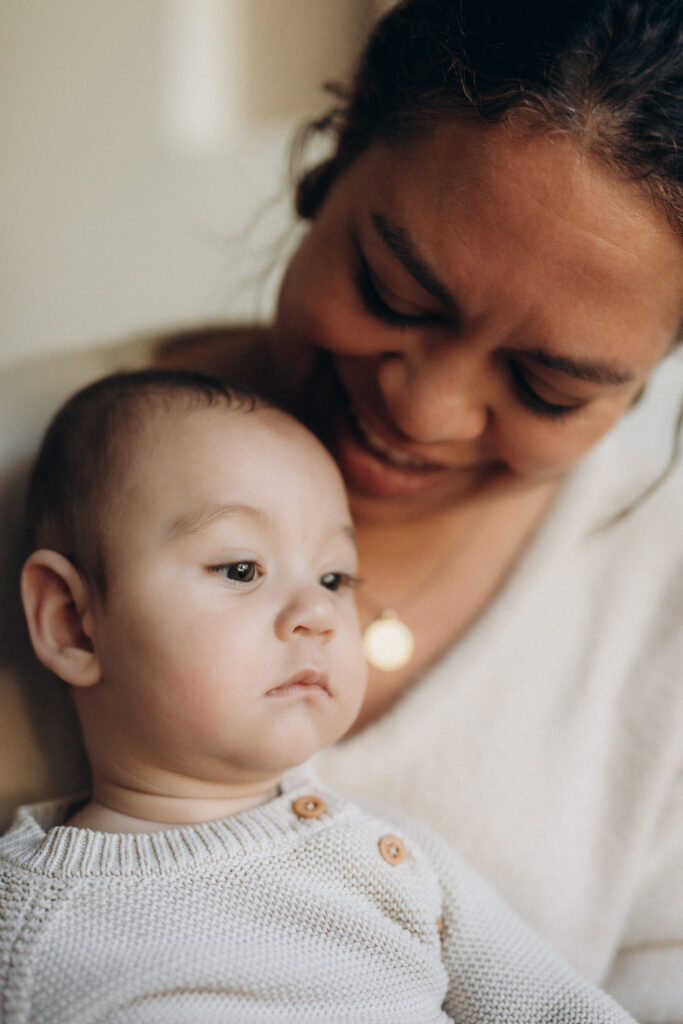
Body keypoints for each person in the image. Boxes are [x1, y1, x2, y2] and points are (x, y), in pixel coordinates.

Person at [151, 1, 683, 1019]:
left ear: (646, 376)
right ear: (336, 153)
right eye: (392, 291)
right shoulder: (24, 463)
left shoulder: (659, 614)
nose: (425, 407)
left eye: (546, 387)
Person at [0, 368, 639, 1024]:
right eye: (241, 569)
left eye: (334, 577)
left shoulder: (388, 855)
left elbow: (554, 1007)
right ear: (73, 624)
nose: (319, 612)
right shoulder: (33, 919)